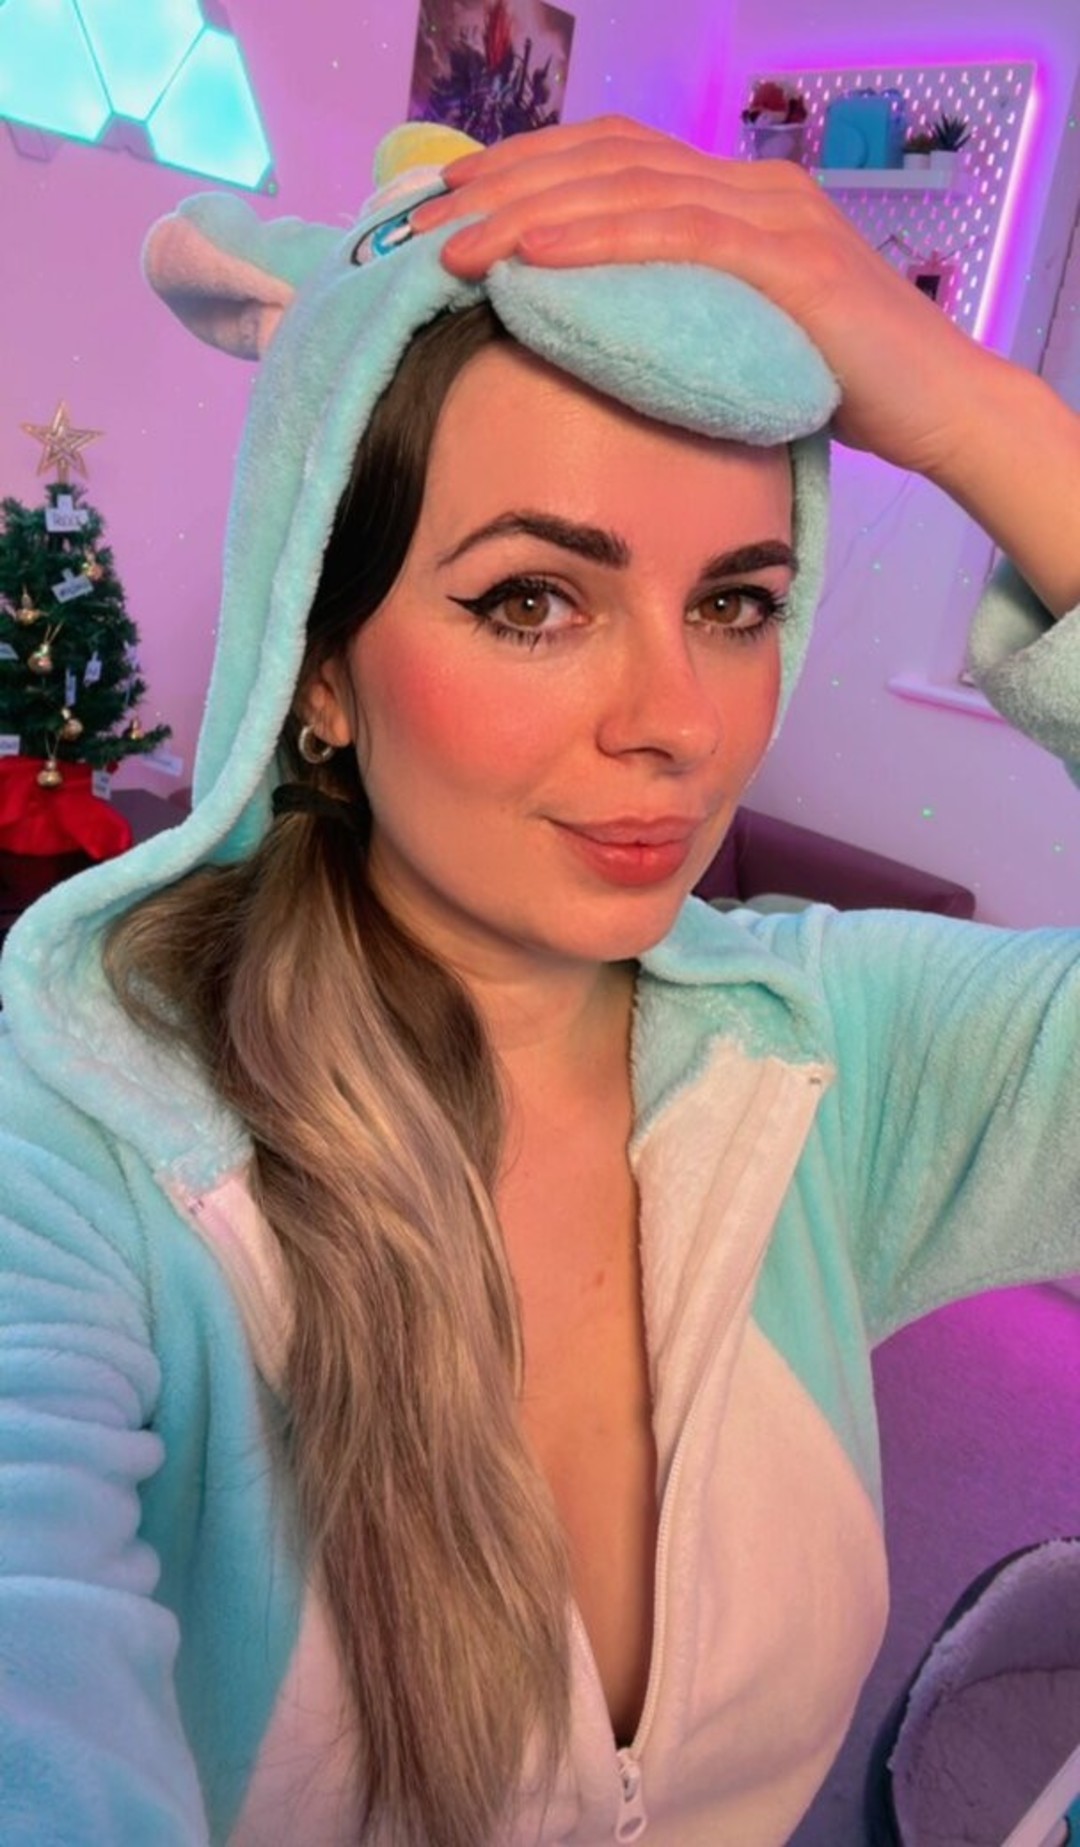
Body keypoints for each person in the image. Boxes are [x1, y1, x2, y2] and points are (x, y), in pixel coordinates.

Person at [0, 114, 1078, 1847]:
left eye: (736, 603)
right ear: (320, 668)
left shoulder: (835, 1054)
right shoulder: (83, 1143)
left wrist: (972, 409)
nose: (680, 722)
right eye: (532, 601)